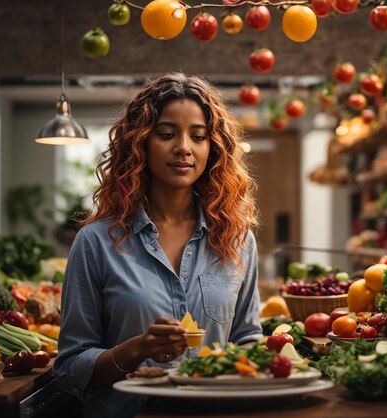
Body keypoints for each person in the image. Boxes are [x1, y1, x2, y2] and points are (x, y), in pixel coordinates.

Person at [53, 72, 263, 417]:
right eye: (167, 134)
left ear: (212, 149)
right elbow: (70, 368)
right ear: (141, 142)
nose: (183, 146)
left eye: (198, 136)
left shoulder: (237, 240)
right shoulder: (95, 242)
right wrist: (136, 349)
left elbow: (247, 341)